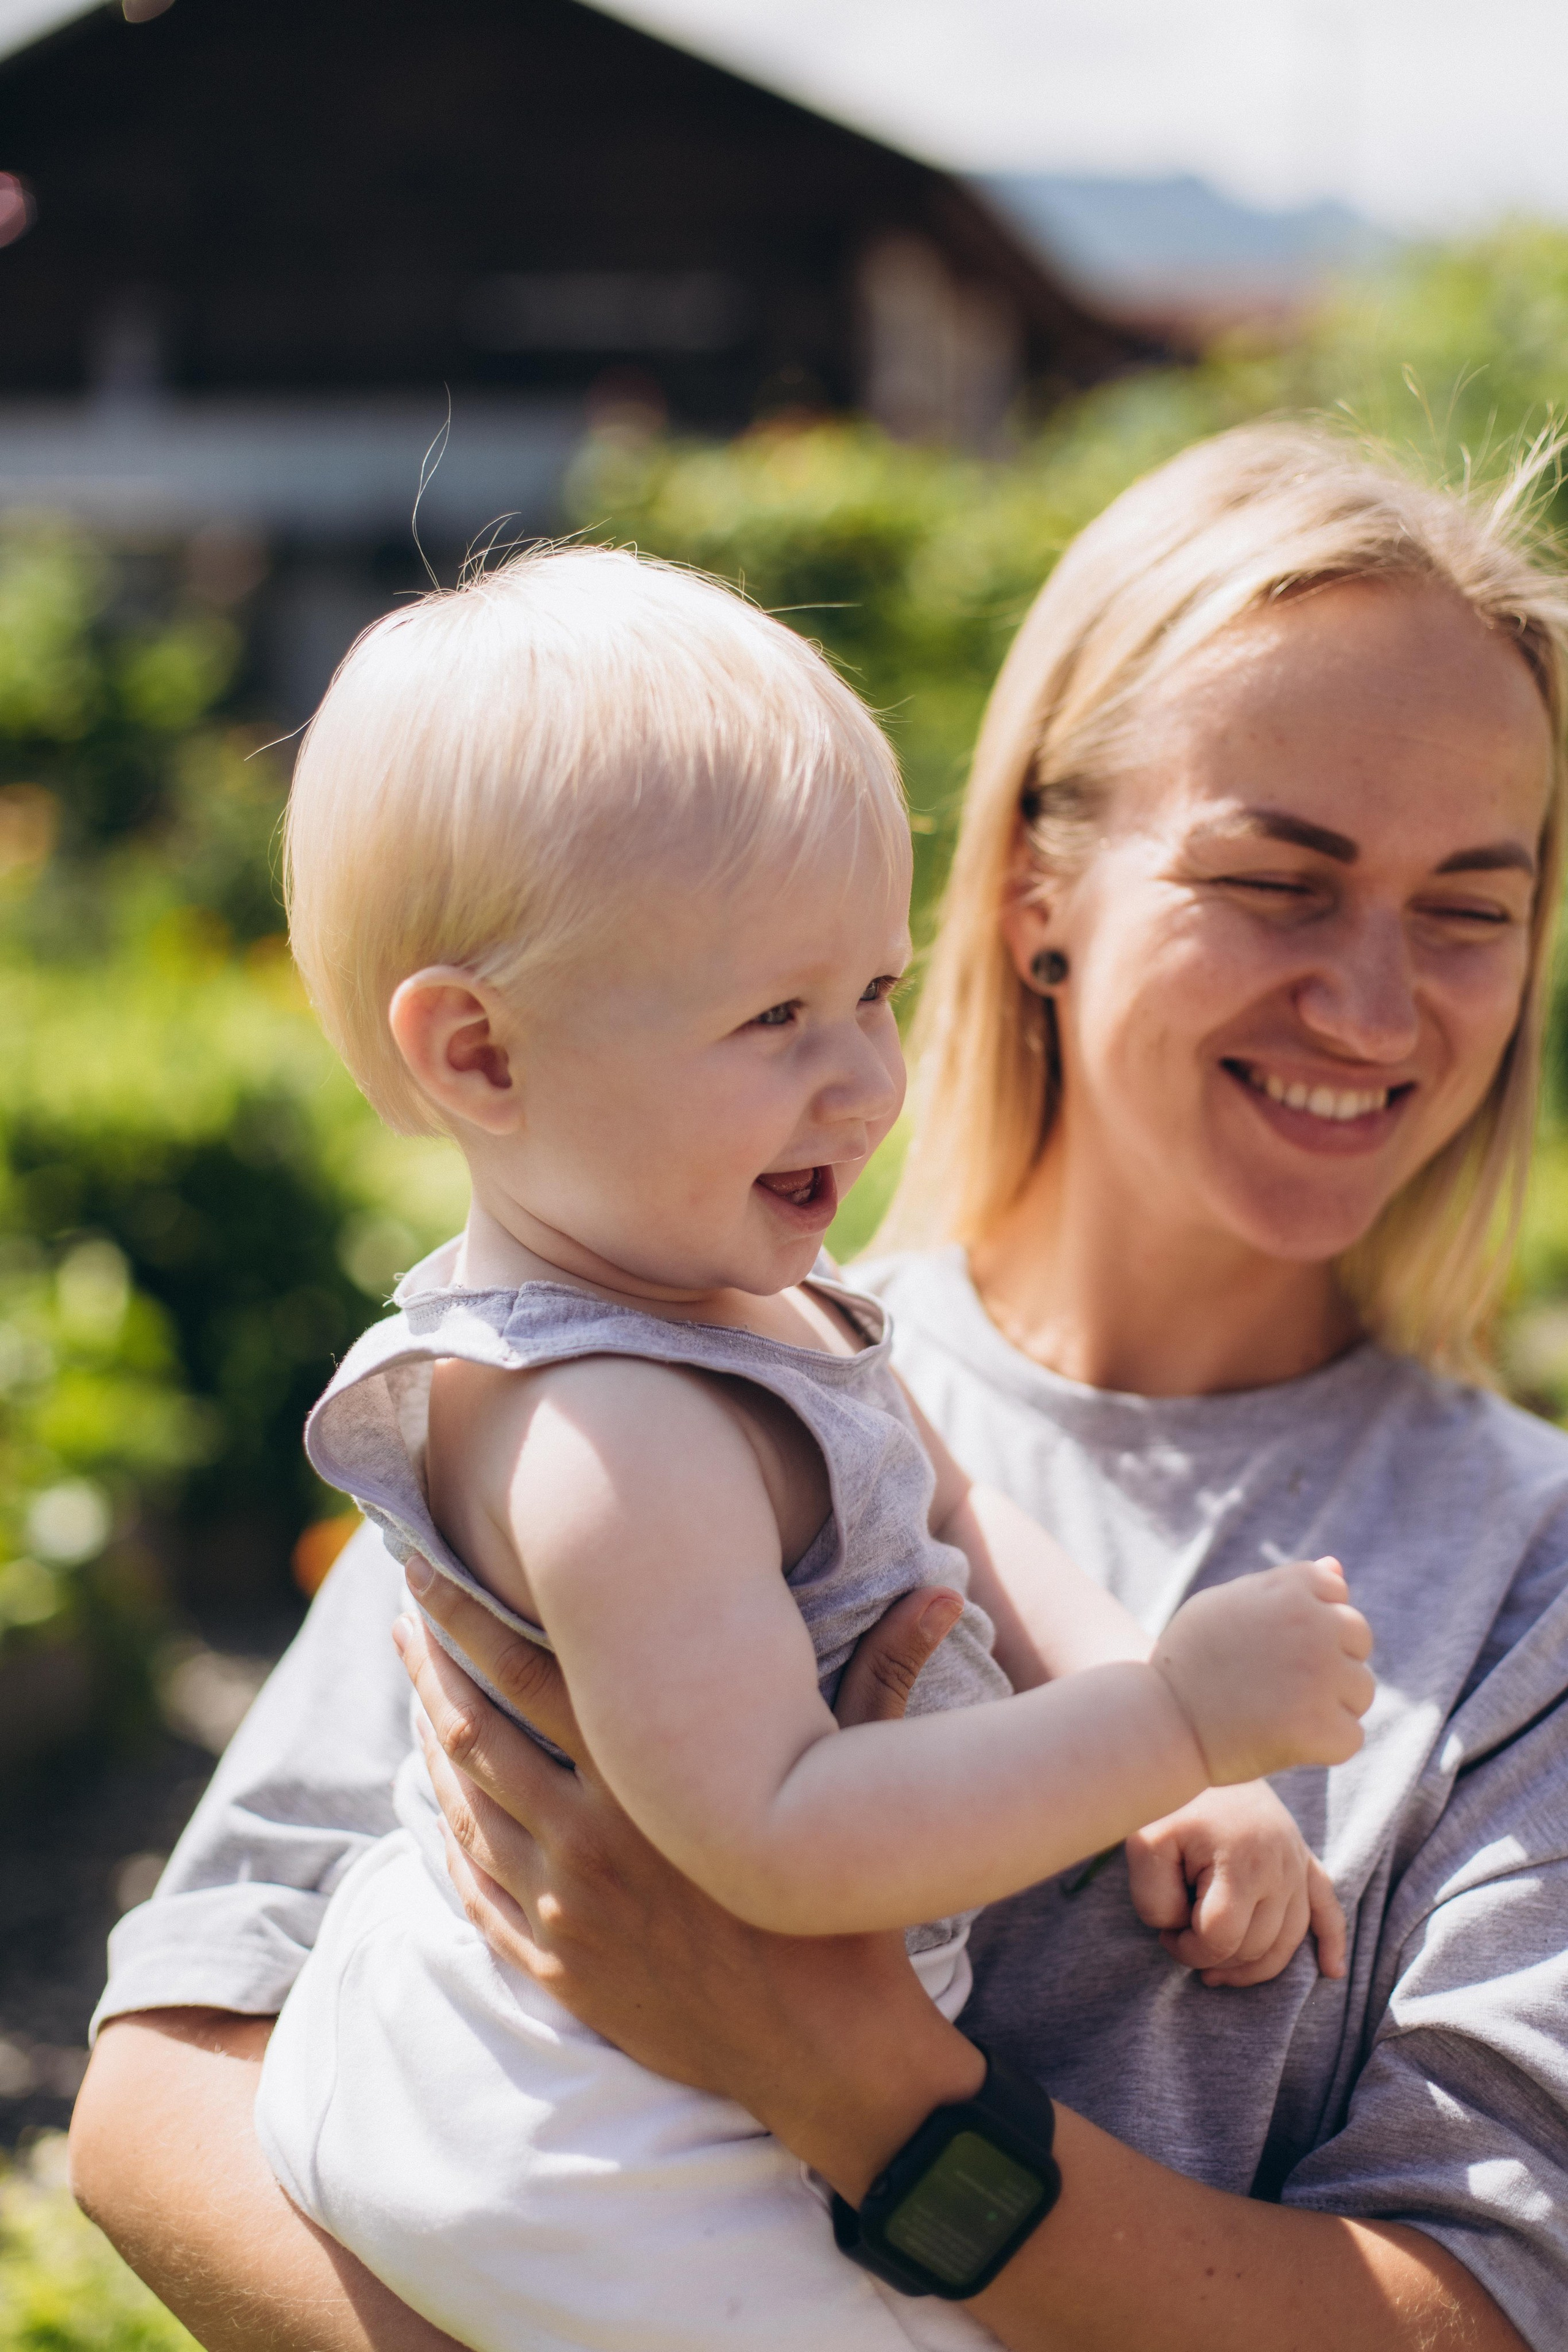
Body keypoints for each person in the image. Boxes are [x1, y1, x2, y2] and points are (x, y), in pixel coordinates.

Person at [70, 422, 1568, 2352]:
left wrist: (858, 2084)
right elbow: (172, 2076)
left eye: (1472, 904)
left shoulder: (1529, 1578)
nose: (1375, 1004)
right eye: (1278, 880)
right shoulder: (641, 1362)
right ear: (1033, 885)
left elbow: (1478, 2317)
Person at [254, 542, 1368, 2352]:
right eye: (775, 1017)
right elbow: (778, 1842)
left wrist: (1173, 1751)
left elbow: (959, 1504)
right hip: (579, 2142)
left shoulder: (753, 1301)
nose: (864, 1081)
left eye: (873, 991)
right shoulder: (608, 1435)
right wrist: (1170, 1721)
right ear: (479, 1055)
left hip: (681, 2100)